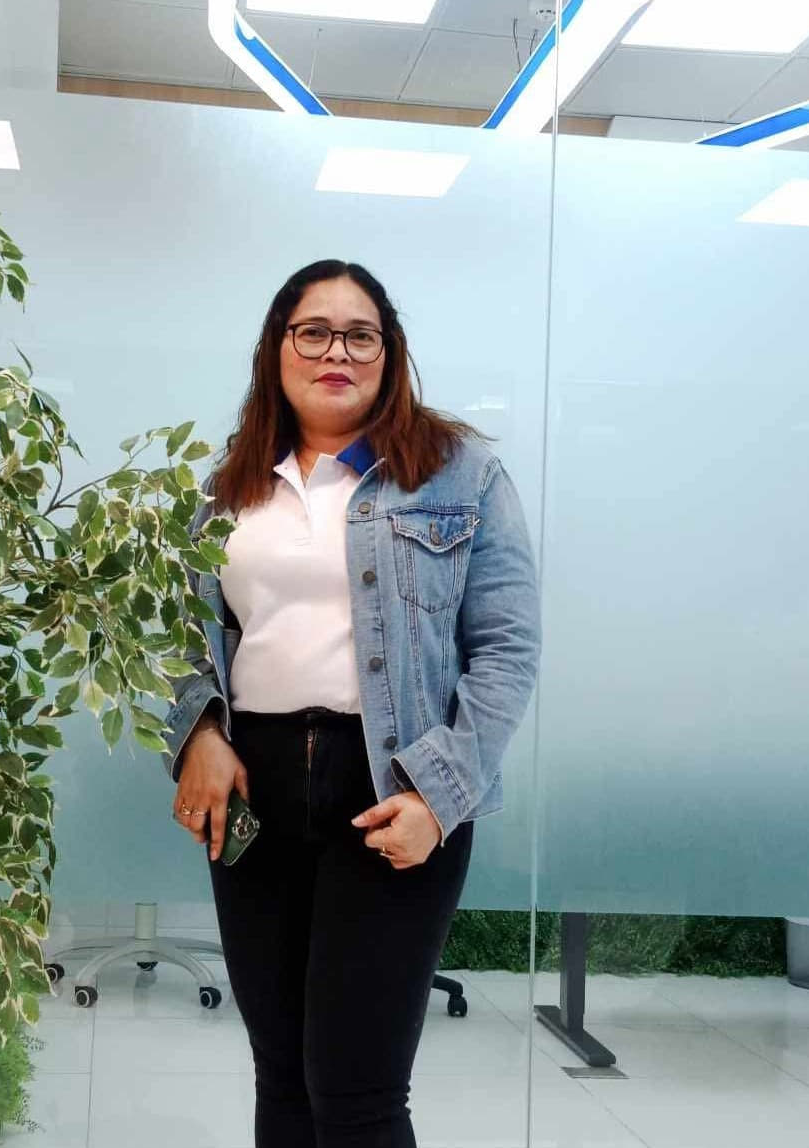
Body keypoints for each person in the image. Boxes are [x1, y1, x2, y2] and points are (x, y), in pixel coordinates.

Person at [161, 259, 541, 1148]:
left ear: (389, 353)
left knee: (357, 1090)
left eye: (360, 335)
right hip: (252, 788)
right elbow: (176, 633)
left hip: (391, 790)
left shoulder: (460, 475)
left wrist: (440, 796)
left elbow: (508, 649)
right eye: (315, 332)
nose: (337, 352)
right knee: (283, 1076)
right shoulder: (228, 487)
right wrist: (199, 734)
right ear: (278, 348)